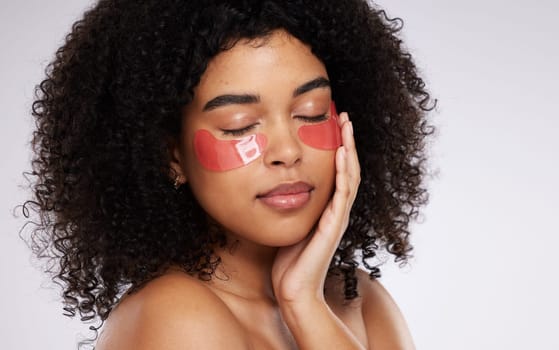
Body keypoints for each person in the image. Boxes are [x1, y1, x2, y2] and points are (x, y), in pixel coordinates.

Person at [23, 0, 434, 348]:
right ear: (172, 155)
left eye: (310, 112)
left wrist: (303, 302)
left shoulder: (359, 298)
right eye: (239, 125)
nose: (288, 151)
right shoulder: (175, 318)